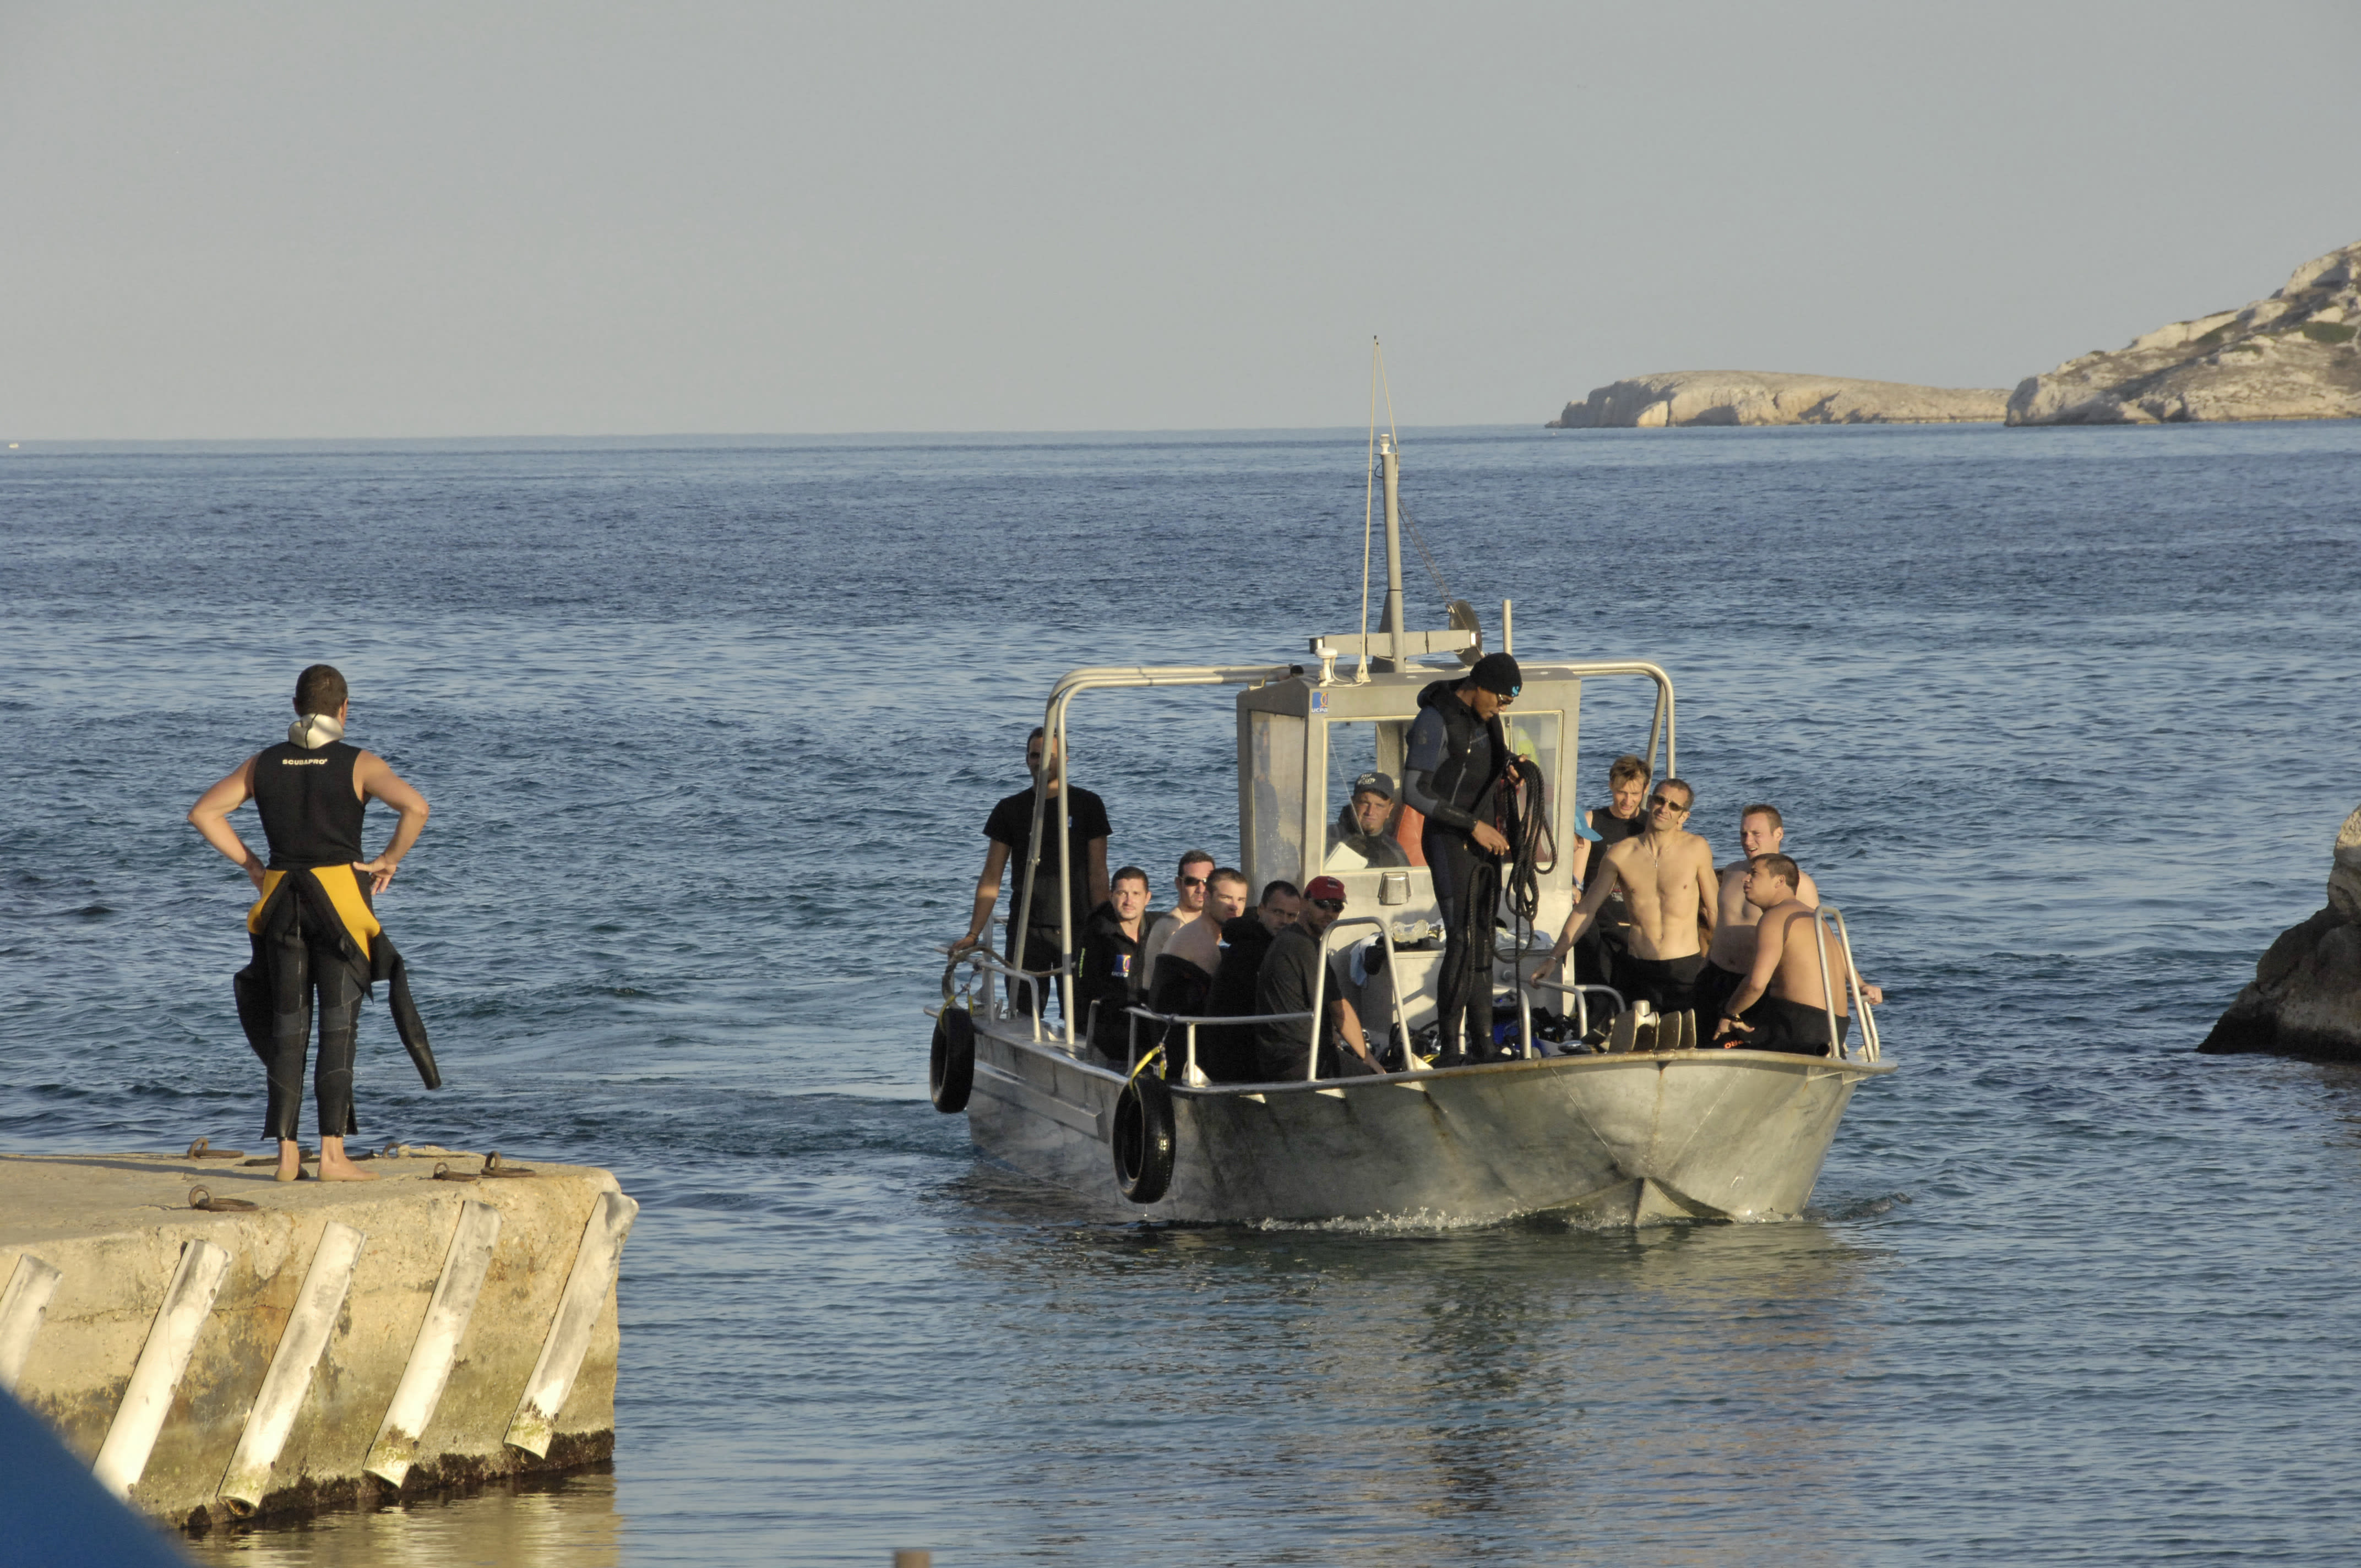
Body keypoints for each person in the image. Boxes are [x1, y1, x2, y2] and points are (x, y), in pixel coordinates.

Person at [187, 665, 431, 1183]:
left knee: (288, 1028)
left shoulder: (263, 764)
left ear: (295, 706)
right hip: (340, 907)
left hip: (280, 905)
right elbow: (415, 806)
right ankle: (334, 1158)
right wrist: (389, 858)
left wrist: (255, 866)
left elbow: (205, 813)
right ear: (344, 710)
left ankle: (287, 1158)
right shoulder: (358, 763)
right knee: (338, 1029)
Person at [1401, 651, 1522, 1065]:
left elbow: (1484, 766)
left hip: (1486, 839)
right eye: (1501, 699)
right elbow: (1414, 790)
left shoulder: (1490, 717)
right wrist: (1472, 826)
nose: (1503, 708)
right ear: (1479, 685)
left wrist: (1510, 767)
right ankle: (1452, 1049)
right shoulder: (1435, 719)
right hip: (1452, 839)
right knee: (1462, 938)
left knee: (1485, 937)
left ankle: (1485, 1044)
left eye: (1508, 703)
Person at [950, 727, 1111, 1018]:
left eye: (1049, 756)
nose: (1041, 762)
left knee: (1083, 1016)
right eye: (1035, 756)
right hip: (1027, 929)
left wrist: (1107, 926)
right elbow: (991, 877)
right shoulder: (1009, 809)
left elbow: (1099, 873)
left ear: (1066, 759)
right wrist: (973, 934)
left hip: (1078, 928)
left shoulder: (1089, 805)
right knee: (1022, 1014)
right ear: (1027, 759)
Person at [1531, 777, 1717, 1021]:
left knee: (1689, 1044)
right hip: (1640, 968)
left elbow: (1714, 912)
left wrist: (1721, 966)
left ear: (1684, 816)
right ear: (1650, 802)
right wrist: (1553, 958)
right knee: (1638, 1046)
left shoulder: (1697, 848)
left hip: (1685, 968)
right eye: (1660, 800)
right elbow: (1586, 909)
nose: (1664, 808)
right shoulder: (1621, 853)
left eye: (1674, 806)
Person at [1711, 854, 1882, 1054]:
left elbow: (1756, 984)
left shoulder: (1774, 917)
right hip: (1835, 1029)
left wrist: (1730, 1014)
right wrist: (1861, 984)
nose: (1745, 879)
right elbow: (1841, 956)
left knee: (1717, 1043)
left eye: (1754, 874)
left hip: (1798, 1030)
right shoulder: (1813, 918)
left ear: (1780, 881)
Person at [1697, 804, 1822, 1021]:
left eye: (1756, 834)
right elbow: (1721, 927)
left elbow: (1821, 940)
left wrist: (1858, 983)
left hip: (1754, 984)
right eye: (1743, 834)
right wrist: (1704, 966)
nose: (1747, 841)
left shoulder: (1799, 884)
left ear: (1779, 834)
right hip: (1715, 975)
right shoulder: (1731, 872)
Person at [1253, 876, 1380, 1081]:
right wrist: (1371, 1062)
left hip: (1281, 1056)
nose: (1329, 913)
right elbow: (1339, 1010)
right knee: (1374, 1080)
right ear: (1304, 903)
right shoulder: (1304, 946)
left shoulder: (1290, 938)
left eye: (1337, 907)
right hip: (1299, 1059)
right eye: (1322, 905)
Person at [1199, 879, 1298, 1081]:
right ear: (1261, 910)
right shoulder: (1253, 951)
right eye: (1278, 912)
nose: (1285, 921)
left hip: (1239, 1050)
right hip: (1240, 1058)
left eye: (1291, 916)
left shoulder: (1255, 942)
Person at [1079, 866, 1152, 1060]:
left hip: (1150, 1020)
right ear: (1111, 896)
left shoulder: (1157, 930)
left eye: (1136, 894)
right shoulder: (1097, 934)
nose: (1129, 901)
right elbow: (1086, 981)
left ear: (1147, 898)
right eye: (1122, 893)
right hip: (1111, 1025)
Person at [1138, 849, 1215, 988]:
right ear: (1178, 884)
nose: (1201, 889)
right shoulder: (1172, 926)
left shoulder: (1206, 925)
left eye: (1207, 881)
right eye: (1191, 881)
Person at [1325, 772, 1410, 869]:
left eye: (1379, 806)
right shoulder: (1326, 838)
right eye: (1365, 803)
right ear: (1353, 803)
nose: (1370, 812)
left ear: (1389, 810)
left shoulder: (1394, 851)